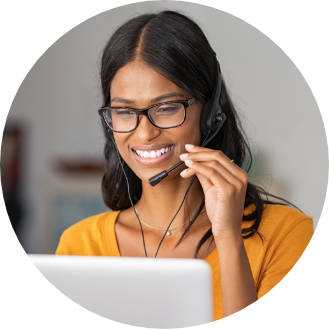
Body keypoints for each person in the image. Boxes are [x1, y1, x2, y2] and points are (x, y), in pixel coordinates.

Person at [55, 10, 314, 321]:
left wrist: (228, 236)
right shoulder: (79, 245)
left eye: (165, 107)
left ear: (211, 112)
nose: (144, 133)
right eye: (124, 111)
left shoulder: (286, 233)